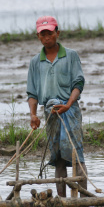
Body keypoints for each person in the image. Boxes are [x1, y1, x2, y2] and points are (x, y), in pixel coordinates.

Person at [26, 15, 87, 197]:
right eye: (42, 34)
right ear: (38, 37)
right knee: (58, 158)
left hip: (70, 111)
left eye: (50, 33)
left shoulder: (71, 56)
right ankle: (61, 200)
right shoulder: (35, 62)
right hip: (51, 114)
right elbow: (32, 94)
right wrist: (33, 115)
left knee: (77, 157)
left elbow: (78, 83)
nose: (46, 37)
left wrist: (68, 104)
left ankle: (83, 200)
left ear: (57, 33)